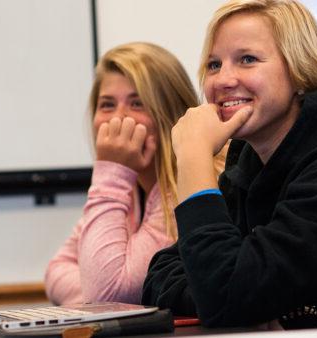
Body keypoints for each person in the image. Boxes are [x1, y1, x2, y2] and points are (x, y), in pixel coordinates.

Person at [141, 0, 317, 329]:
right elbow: (161, 274)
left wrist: (194, 157)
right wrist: (223, 293)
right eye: (213, 65)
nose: (222, 80)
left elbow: (223, 294)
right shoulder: (248, 159)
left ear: (300, 69)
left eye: (247, 59)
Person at [45, 42, 226, 305]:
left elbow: (109, 294)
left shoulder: (193, 178)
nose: (118, 119)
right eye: (107, 105)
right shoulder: (125, 188)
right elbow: (57, 269)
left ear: (171, 113)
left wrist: (111, 173)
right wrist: (95, 295)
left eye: (137, 104)